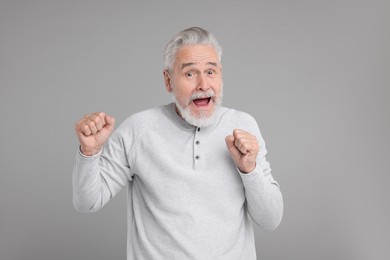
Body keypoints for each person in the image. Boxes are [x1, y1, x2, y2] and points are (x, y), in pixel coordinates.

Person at [73, 27, 283, 260]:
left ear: (221, 75)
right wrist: (90, 153)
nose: (203, 84)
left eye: (211, 72)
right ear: (168, 80)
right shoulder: (138, 130)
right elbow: (87, 203)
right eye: (190, 74)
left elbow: (271, 219)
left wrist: (250, 169)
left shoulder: (244, 125)